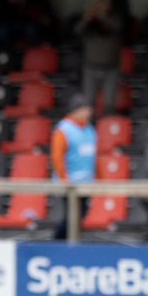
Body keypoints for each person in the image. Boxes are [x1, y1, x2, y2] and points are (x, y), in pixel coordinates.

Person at [51, 93, 96, 241]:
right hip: (70, 183)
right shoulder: (63, 129)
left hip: (86, 183)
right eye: (85, 109)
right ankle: (57, 242)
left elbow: (95, 155)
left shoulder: (89, 129)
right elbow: (57, 157)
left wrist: (100, 178)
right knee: (71, 216)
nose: (88, 112)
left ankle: (70, 243)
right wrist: (64, 179)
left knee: (80, 215)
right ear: (75, 110)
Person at [75, 0, 123, 116]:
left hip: (111, 68)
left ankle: (107, 132)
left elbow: (117, 27)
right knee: (88, 104)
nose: (100, 6)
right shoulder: (90, 21)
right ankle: (89, 132)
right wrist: (89, 17)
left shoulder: (114, 18)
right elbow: (78, 30)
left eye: (103, 3)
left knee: (109, 105)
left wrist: (102, 15)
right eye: (98, 3)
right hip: (90, 68)